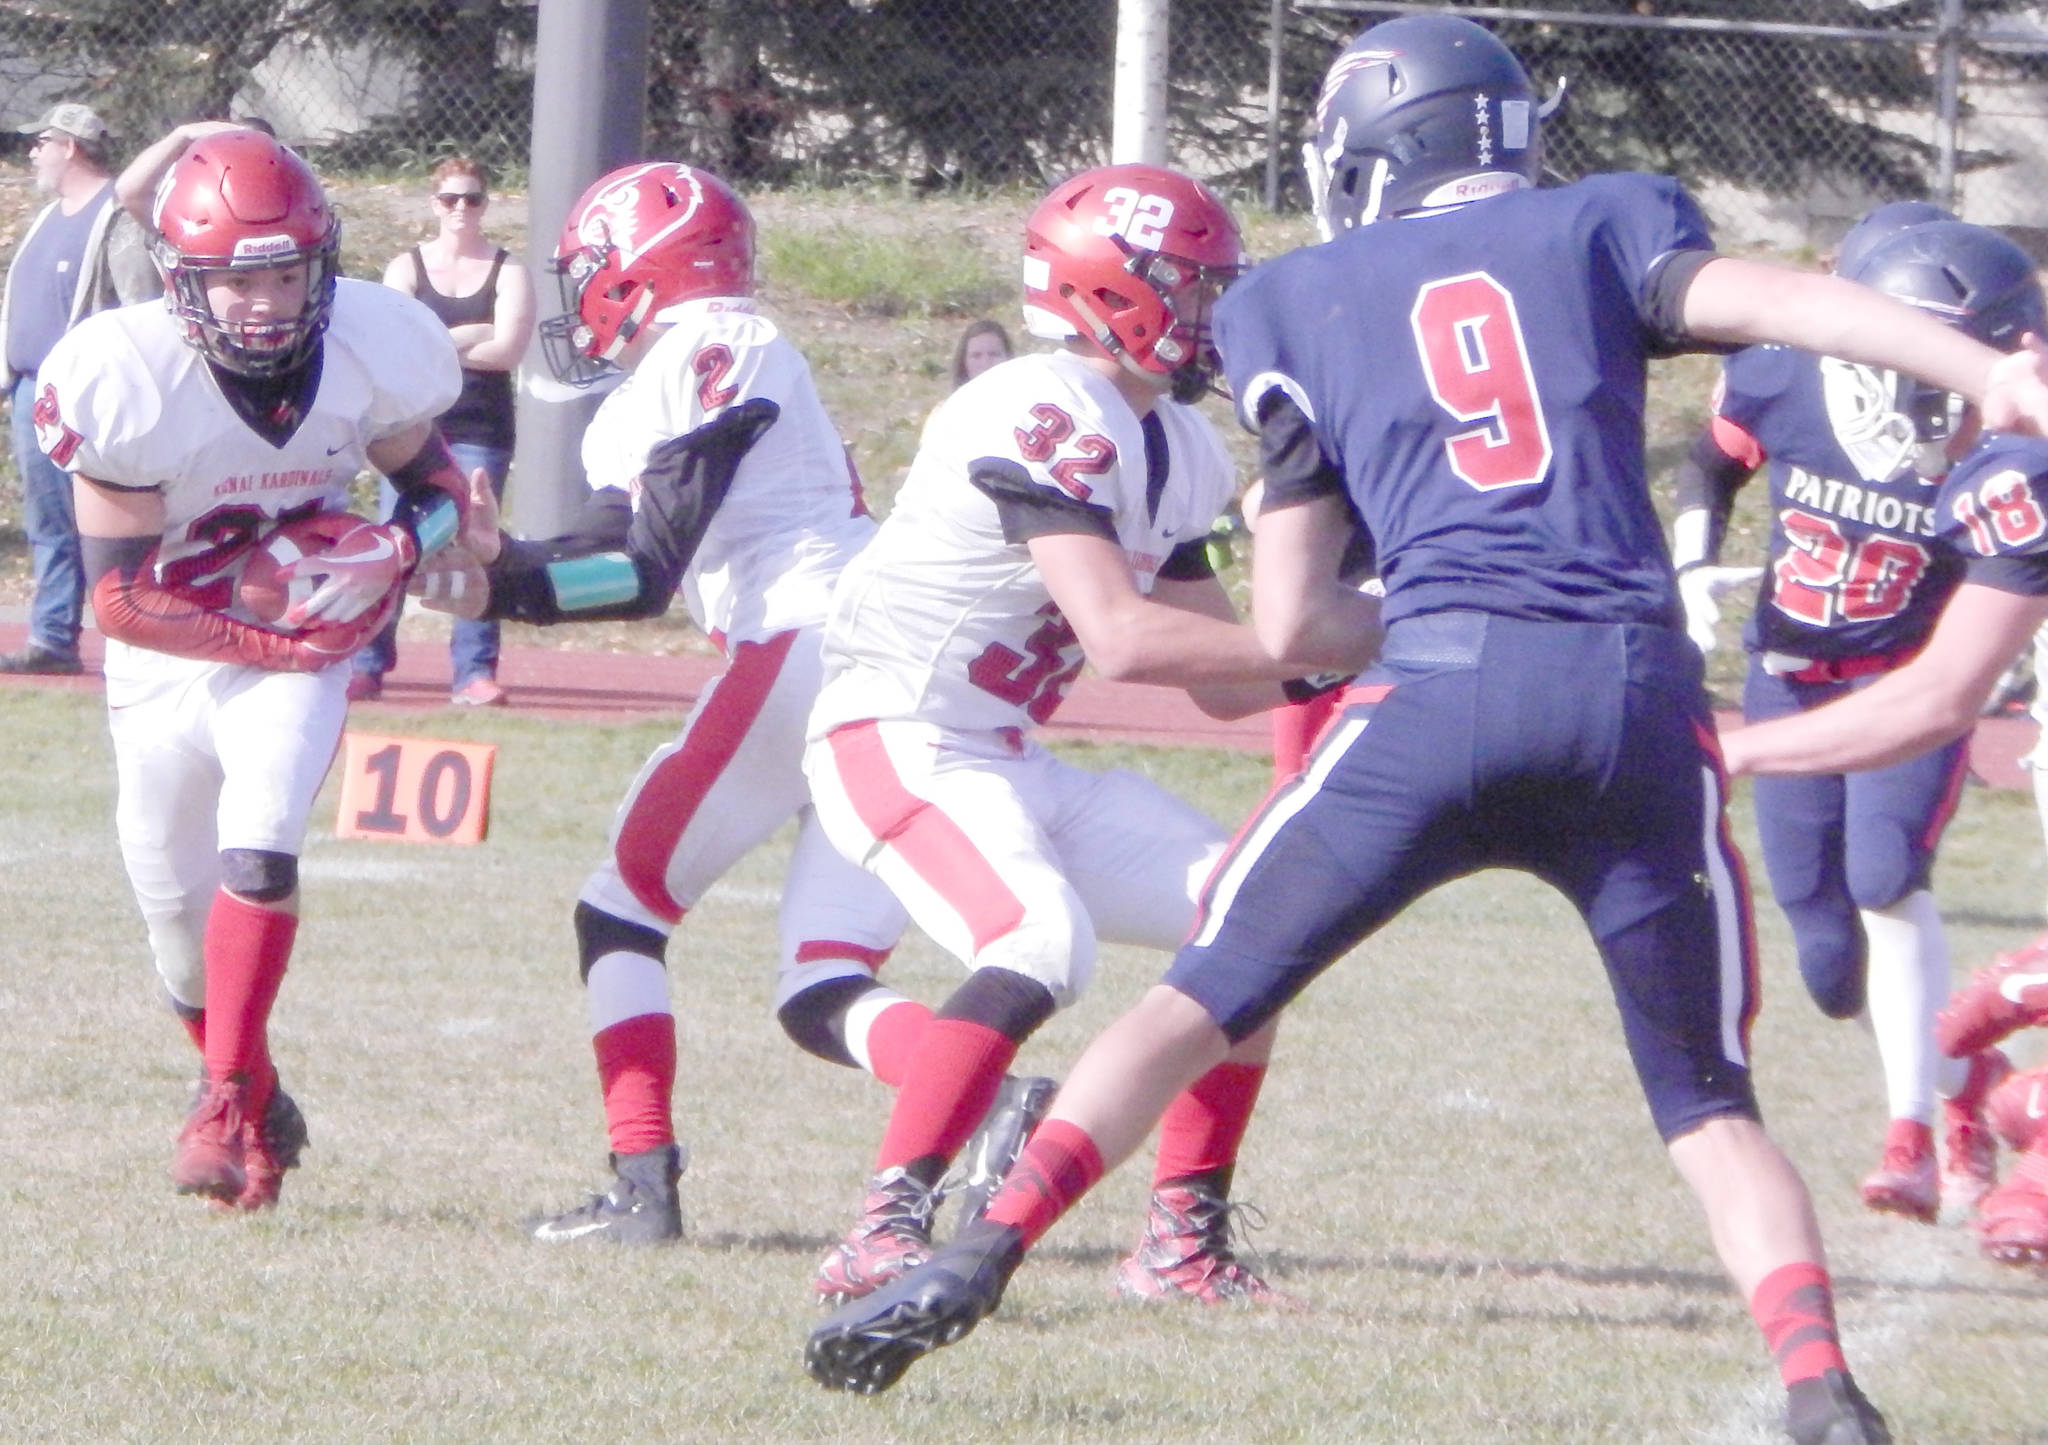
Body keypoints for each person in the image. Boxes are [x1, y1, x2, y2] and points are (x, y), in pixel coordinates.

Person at [803, 16, 2048, 1438]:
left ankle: (981, 1246)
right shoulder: (1603, 220)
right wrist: (1982, 372)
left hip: (1438, 686)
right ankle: (1823, 1388)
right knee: (1709, 1104)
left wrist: (1433, 594)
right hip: (1631, 695)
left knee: (1194, 999)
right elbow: (1787, 302)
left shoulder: (1296, 301)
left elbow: (1286, 628)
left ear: (1368, 152)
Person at [798, 162, 1366, 1310]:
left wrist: (1365, 629)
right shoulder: (1034, 404)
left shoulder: (1185, 446)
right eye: (1191, 290)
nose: (1214, 316)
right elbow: (1118, 637)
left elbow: (1227, 673)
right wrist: (1361, 628)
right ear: (1111, 291)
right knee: (1038, 940)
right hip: (896, 729)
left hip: (1002, 750)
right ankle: (879, 1229)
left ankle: (1178, 1243)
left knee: (1246, 914)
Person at [415, 160, 947, 1246]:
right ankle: (994, 1098)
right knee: (823, 983)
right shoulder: (720, 355)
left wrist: (506, 576)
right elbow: (623, 555)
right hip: (883, 662)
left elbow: (644, 570)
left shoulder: (713, 343)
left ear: (639, 270)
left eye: (595, 272)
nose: (583, 298)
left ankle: (641, 1181)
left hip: (809, 646)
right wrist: (502, 568)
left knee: (621, 909)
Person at [32, 127, 472, 1209]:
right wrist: (278, 637)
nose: (263, 303)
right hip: (170, 650)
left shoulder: (374, 340)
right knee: (176, 931)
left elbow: (432, 477)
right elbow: (122, 600)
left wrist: (410, 541)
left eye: (282, 274)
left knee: (261, 845)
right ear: (183, 284)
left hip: (297, 652)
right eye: (234, 282)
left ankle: (224, 1103)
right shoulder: (124, 374)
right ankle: (253, 1082)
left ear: (320, 267)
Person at [1668, 219, 2043, 1226]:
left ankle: (1911, 1129)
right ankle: (1967, 1076)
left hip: (1906, 674)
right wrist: (1692, 560)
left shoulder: (2007, 454)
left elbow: (1952, 674)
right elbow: (1706, 464)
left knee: (1885, 879)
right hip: (1787, 673)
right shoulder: (1779, 379)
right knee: (1828, 964)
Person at [349, 156, 535, 707]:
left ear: (485, 203)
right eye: (451, 198)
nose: (461, 209)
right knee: (396, 540)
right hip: (409, 428)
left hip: (482, 427)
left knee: (475, 544)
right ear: (434, 204)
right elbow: (396, 346)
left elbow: (507, 353)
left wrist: (437, 340)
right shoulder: (406, 268)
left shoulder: (509, 270)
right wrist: (470, 334)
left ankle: (473, 673)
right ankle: (367, 664)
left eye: (472, 198)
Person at [1, 102, 157, 675]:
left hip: (88, 398)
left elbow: (141, 307)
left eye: (41, 142)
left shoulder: (115, 216)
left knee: (108, 521)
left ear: (70, 145)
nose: (34, 153)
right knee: (49, 522)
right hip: (30, 392)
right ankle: (52, 638)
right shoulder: (49, 217)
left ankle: (135, 638)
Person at [950, 317, 1012, 389]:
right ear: (964, 362)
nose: (985, 363)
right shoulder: (956, 400)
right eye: (976, 356)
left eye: (994, 354)